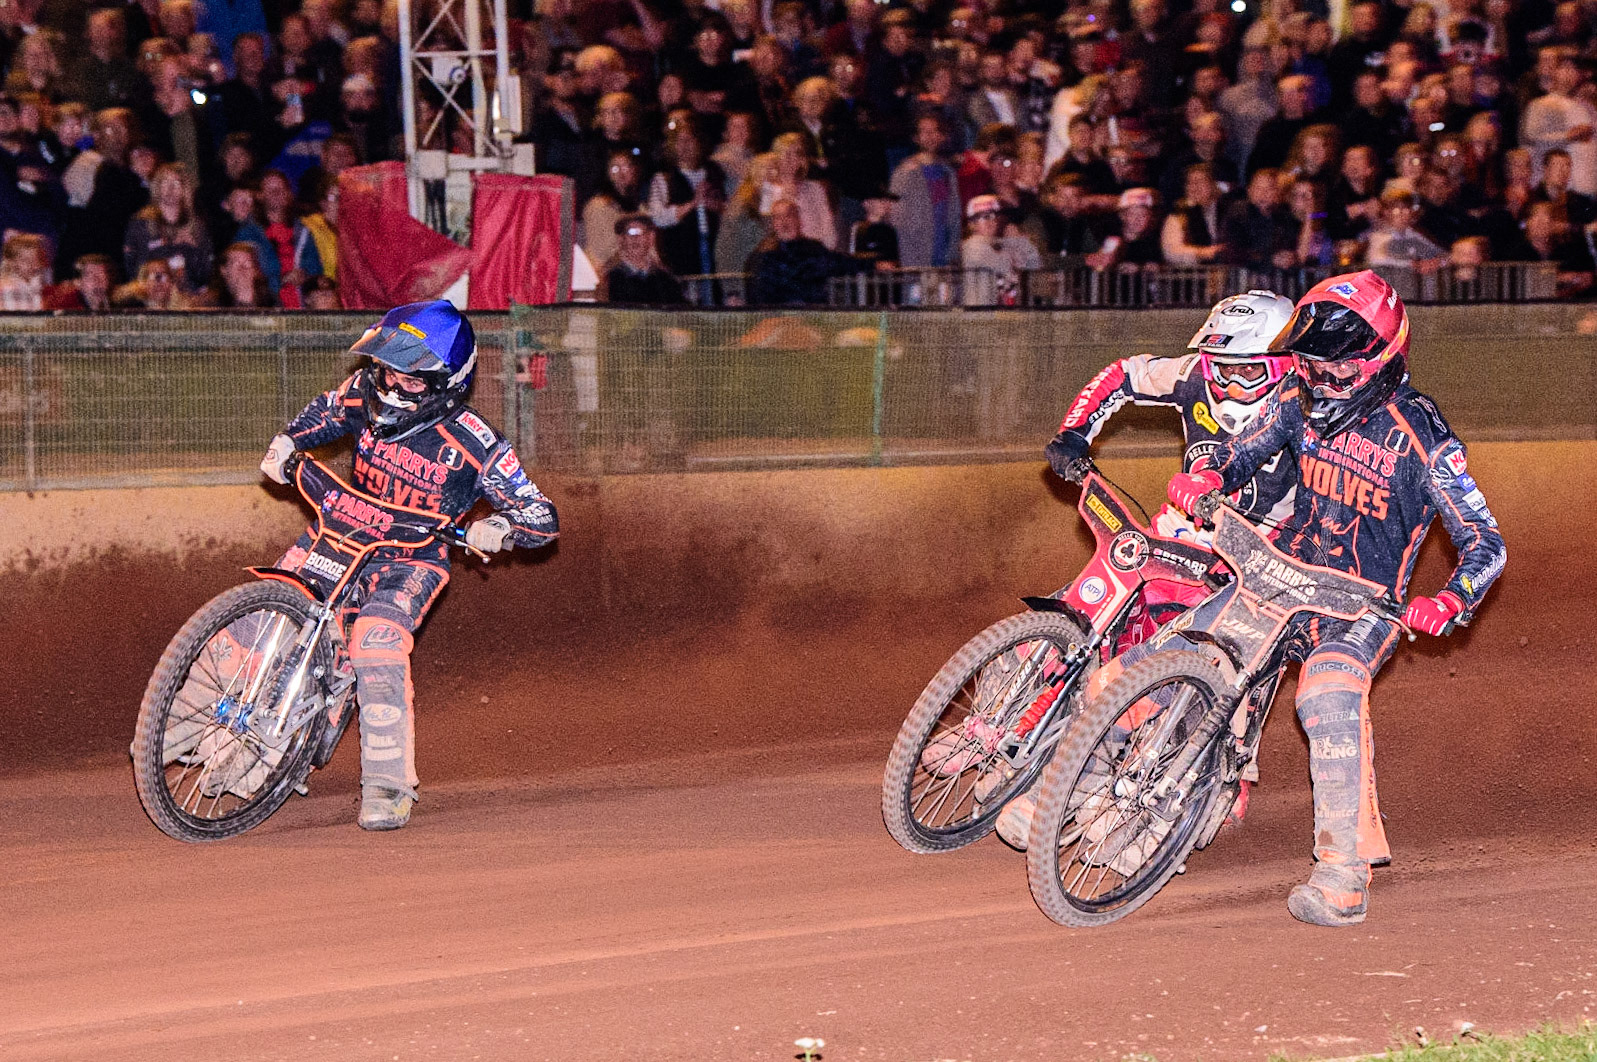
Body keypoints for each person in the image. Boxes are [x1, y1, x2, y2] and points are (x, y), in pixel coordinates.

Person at [1163, 270, 1506, 926]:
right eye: (1310, 361)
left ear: (1378, 360)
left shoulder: (1419, 433)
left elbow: (1484, 543)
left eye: (1333, 366)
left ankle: (1340, 873)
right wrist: (1207, 473)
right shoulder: (1295, 396)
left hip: (1360, 604)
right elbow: (1243, 452)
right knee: (1179, 643)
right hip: (1281, 571)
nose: (1318, 377)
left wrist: (1448, 601)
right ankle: (1095, 780)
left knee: (1325, 696)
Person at [991, 290, 1298, 849]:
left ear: (1281, 364)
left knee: (1211, 661)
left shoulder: (1309, 405)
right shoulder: (1191, 375)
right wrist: (1075, 432)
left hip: (1264, 551)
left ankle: (1217, 772)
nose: (1227, 383)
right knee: (1107, 606)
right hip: (1186, 525)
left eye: (1245, 369)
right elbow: (1124, 374)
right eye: (1219, 366)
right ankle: (1004, 722)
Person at [258, 301, 559, 831]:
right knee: (265, 614)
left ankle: (388, 786)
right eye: (388, 369)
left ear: (446, 383)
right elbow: (324, 413)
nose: (394, 386)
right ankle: (195, 736)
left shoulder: (474, 441)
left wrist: (503, 528)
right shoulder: (363, 391)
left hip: (410, 558)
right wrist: (288, 440)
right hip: (341, 530)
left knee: (376, 641)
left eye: (411, 378)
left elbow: (542, 514)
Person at [602, 214, 686, 304]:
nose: (635, 239)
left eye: (639, 233)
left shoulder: (665, 278)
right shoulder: (609, 278)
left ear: (651, 238)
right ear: (620, 239)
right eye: (630, 233)